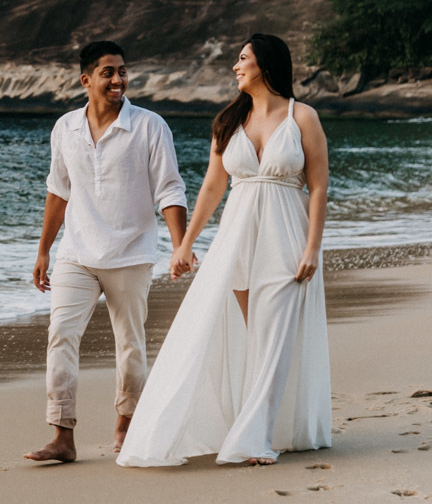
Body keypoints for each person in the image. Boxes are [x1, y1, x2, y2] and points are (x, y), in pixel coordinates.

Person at [117, 34, 332, 467]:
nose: (235, 67)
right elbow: (213, 187)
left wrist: (312, 246)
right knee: (254, 339)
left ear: (266, 65)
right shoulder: (228, 121)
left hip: (286, 237)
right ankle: (250, 426)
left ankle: (254, 439)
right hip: (237, 239)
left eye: (242, 59)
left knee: (273, 340)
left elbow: (319, 186)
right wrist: (187, 243)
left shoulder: (302, 116)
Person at [24, 41, 189, 463]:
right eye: (108, 72)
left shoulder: (150, 126)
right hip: (76, 254)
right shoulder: (65, 128)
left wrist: (180, 246)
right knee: (60, 336)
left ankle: (126, 423)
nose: (118, 80)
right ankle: (62, 435)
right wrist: (43, 250)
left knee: (130, 345)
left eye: (122, 72)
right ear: (86, 80)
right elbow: (58, 191)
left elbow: (169, 188)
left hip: (131, 254)